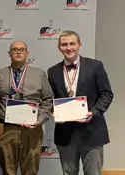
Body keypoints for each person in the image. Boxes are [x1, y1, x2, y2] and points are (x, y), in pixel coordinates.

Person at [47, 30, 113, 175]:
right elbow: (51, 99)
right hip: (65, 133)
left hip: (92, 131)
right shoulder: (52, 71)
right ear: (59, 48)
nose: (68, 47)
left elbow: (106, 94)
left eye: (72, 44)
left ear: (79, 45)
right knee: (68, 172)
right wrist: (54, 112)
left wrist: (93, 112)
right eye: (64, 44)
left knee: (93, 173)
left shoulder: (95, 66)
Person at [0, 40, 54, 175]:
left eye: (22, 49)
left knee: (30, 170)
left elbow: (48, 99)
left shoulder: (39, 74)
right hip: (7, 129)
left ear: (27, 53)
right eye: (14, 49)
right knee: (8, 170)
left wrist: (40, 119)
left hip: (31, 129)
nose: (18, 51)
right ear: (9, 54)